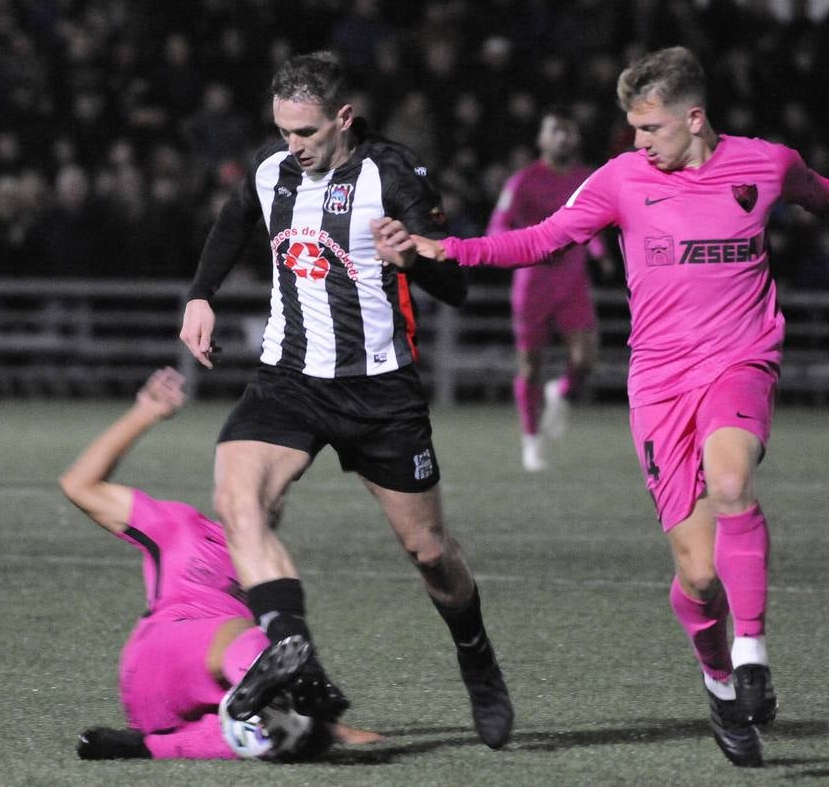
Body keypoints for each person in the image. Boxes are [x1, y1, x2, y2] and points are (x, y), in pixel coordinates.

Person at [371, 46, 829, 768]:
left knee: (734, 482)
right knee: (698, 576)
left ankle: (751, 655)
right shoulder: (619, 181)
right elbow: (543, 240)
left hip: (740, 360)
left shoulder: (764, 165)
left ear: (694, 117)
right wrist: (445, 251)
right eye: (633, 129)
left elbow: (827, 196)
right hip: (659, 384)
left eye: (649, 128)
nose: (638, 142)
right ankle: (716, 680)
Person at [179, 50, 514, 750]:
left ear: (343, 119)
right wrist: (201, 296)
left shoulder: (393, 173)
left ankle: (477, 657)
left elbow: (459, 287)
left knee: (429, 553)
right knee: (240, 502)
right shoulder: (272, 171)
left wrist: (414, 258)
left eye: (305, 133)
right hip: (288, 379)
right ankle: (294, 655)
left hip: (378, 392)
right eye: (282, 131)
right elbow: (234, 222)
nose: (290, 147)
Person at [62, 367, 380, 760]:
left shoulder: (272, 567)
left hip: (187, 715)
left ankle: (146, 747)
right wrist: (145, 413)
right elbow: (79, 485)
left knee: (262, 735)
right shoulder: (182, 527)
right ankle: (302, 711)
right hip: (158, 660)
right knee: (268, 641)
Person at [487, 109, 607, 471]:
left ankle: (562, 392)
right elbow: (498, 226)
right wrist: (522, 247)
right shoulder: (523, 181)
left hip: (572, 283)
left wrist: (600, 251)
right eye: (556, 131)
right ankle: (531, 440)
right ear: (541, 139)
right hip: (533, 284)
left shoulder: (587, 179)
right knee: (531, 367)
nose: (563, 138)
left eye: (569, 132)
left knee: (585, 358)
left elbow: (597, 222)